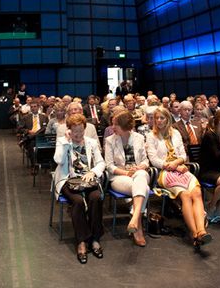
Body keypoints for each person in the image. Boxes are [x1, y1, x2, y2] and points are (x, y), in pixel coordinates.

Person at [146, 107, 211, 249]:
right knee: (185, 195)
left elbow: (182, 154)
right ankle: (194, 234)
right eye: (156, 118)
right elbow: (154, 160)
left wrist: (178, 163)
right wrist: (175, 166)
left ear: (168, 119)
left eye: (162, 118)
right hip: (164, 172)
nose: (159, 121)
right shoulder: (151, 136)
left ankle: (202, 231)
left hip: (180, 168)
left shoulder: (175, 133)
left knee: (197, 192)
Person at [53, 114, 106, 264]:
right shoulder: (62, 141)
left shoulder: (91, 142)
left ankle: (95, 239)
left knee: (96, 198)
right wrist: (66, 142)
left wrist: (93, 172)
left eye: (81, 131)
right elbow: (58, 160)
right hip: (68, 180)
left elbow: (101, 163)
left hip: (88, 180)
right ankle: (81, 241)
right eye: (75, 131)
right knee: (77, 202)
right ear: (69, 130)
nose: (78, 135)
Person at [104, 111, 150, 247]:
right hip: (119, 176)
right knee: (144, 188)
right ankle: (138, 225)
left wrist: (140, 166)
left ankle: (135, 219)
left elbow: (145, 161)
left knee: (141, 175)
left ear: (124, 126)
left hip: (138, 173)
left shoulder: (139, 138)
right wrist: (125, 173)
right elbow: (109, 166)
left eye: (115, 124)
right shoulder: (110, 140)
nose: (112, 127)